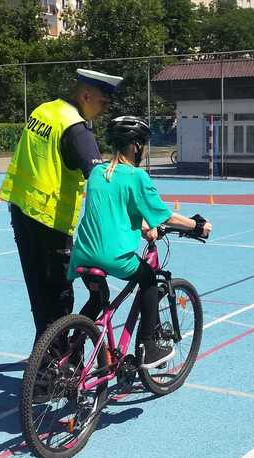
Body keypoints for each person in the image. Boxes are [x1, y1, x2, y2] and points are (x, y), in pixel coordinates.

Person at [68, 116, 212, 370]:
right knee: (148, 279)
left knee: (97, 297)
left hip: (83, 253)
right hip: (112, 256)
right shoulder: (136, 176)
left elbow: (115, 210)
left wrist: (144, 226)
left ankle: (72, 349)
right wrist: (197, 225)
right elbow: (164, 215)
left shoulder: (98, 172)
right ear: (135, 146)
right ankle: (148, 346)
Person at [0, 68, 123, 345]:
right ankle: (49, 374)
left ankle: (43, 360)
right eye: (103, 102)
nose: (104, 110)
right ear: (86, 95)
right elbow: (100, 182)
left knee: (39, 293)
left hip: (21, 211)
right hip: (50, 218)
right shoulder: (76, 129)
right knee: (60, 298)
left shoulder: (44, 111)